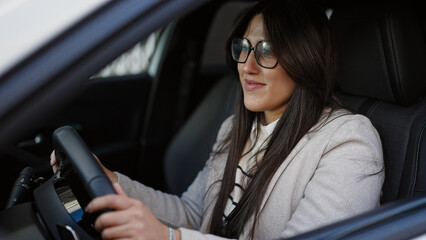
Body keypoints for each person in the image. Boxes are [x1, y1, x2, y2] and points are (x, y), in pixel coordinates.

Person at [51, 0, 384, 239]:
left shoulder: (348, 141)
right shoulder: (237, 129)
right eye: (243, 47)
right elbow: (196, 215)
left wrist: (171, 238)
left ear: (305, 61)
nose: (246, 66)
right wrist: (112, 182)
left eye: (266, 50)